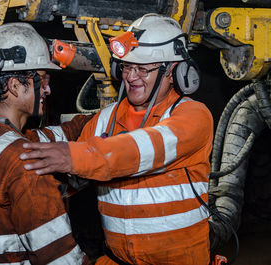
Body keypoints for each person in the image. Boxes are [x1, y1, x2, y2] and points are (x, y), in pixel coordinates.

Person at [21, 14, 214, 265]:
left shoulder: (192, 116)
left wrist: (73, 156)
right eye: (126, 66)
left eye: (142, 69)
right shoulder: (106, 119)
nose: (131, 77)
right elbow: (73, 179)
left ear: (174, 73)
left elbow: (142, 149)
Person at [0, 22, 91, 264]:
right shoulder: (26, 163)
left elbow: (54, 135)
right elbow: (63, 260)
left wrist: (102, 118)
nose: (48, 90)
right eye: (42, 79)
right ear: (15, 86)